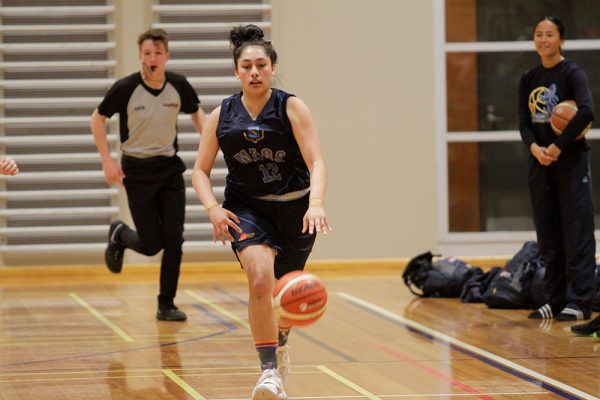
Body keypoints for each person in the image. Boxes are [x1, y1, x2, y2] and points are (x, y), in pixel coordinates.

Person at [191, 24, 331, 400]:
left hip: (296, 210)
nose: (254, 72)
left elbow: (317, 160)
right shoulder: (222, 115)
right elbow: (199, 171)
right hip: (246, 210)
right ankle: (268, 372)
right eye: (247, 66)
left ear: (272, 68)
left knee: (285, 298)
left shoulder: (291, 107)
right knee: (259, 278)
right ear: (236, 71)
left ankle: (280, 339)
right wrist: (212, 209)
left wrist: (315, 204)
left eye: (261, 65)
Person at [90, 28, 206, 322]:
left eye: (158, 53)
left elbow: (196, 113)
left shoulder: (178, 85)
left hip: (168, 169)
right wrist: (107, 160)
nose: (152, 58)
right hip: (137, 170)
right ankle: (119, 234)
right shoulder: (126, 88)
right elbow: (97, 118)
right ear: (140, 56)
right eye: (147, 53)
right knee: (152, 243)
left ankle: (166, 303)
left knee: (174, 238)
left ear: (166, 55)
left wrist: (210, 142)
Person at [519, 16, 596, 322]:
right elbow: (524, 123)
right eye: (538, 34)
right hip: (540, 164)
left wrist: (558, 145)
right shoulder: (529, 77)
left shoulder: (572, 73)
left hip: (570, 161)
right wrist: (535, 148)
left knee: (576, 231)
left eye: (549, 34)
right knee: (548, 234)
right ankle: (554, 298)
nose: (543, 39)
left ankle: (579, 301)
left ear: (561, 40)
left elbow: (587, 111)